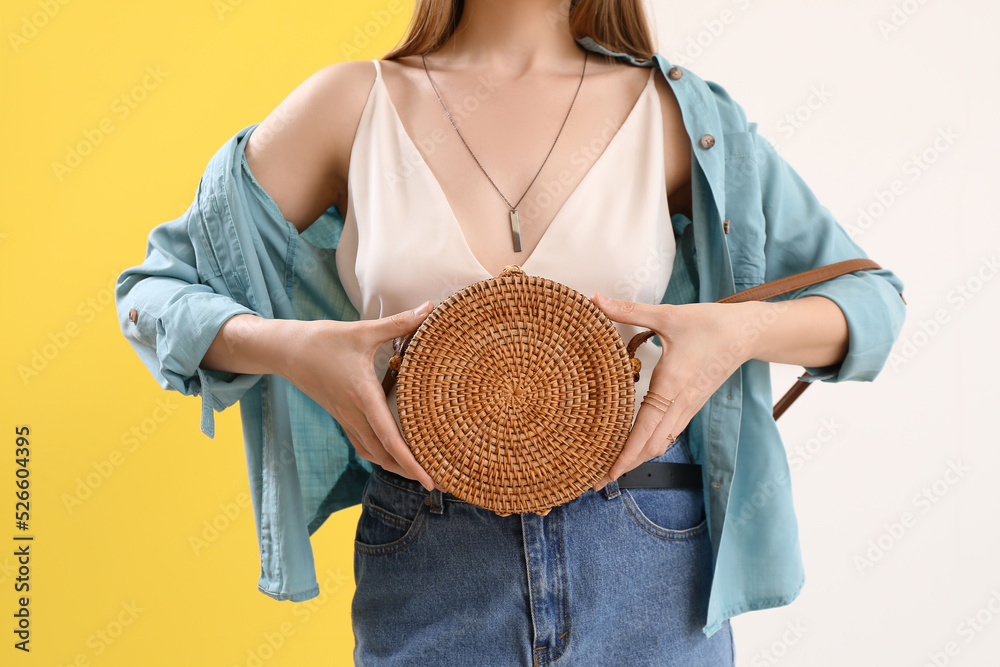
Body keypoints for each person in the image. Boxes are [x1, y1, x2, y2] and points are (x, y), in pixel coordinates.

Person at [115, 0, 907, 664]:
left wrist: (734, 335)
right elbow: (152, 293)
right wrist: (296, 350)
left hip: (650, 556)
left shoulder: (678, 116)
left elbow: (871, 297)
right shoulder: (351, 105)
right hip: (431, 553)